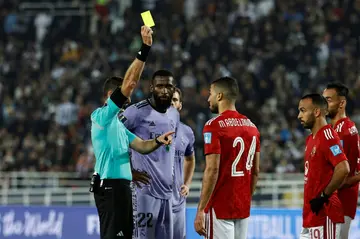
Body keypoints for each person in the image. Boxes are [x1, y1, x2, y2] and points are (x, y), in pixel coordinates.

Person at [90, 26, 174, 239]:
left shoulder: (118, 125)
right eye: (124, 97)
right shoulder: (102, 117)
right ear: (111, 96)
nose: (129, 101)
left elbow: (142, 146)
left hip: (122, 188)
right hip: (109, 188)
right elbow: (130, 83)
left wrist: (158, 140)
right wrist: (144, 49)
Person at [194, 76, 260, 239]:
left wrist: (201, 209)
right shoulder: (252, 127)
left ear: (219, 96)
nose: (208, 98)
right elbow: (256, 171)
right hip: (242, 206)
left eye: (210, 93)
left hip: (219, 206)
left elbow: (212, 168)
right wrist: (245, 198)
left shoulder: (213, 125)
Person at [119, 69, 180, 239]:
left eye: (168, 86)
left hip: (167, 193)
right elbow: (112, 139)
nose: (164, 90)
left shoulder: (174, 114)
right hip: (144, 191)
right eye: (160, 86)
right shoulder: (136, 112)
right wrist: (127, 171)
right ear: (151, 87)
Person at [297, 93, 350, 239]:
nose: (298, 116)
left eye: (302, 110)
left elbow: (343, 168)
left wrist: (323, 196)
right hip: (311, 216)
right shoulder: (310, 139)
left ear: (316, 112)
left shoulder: (328, 136)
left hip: (325, 214)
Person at [323, 83, 360, 239]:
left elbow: (339, 169)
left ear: (342, 103)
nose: (324, 104)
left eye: (329, 100)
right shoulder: (348, 127)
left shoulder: (341, 132)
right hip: (341, 201)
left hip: (340, 201)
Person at [171, 88, 196, 239]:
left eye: (174, 100)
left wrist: (187, 183)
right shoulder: (149, 128)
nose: (171, 103)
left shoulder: (187, 132)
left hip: (177, 202)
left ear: (180, 105)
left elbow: (190, 159)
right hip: (154, 201)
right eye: (168, 100)